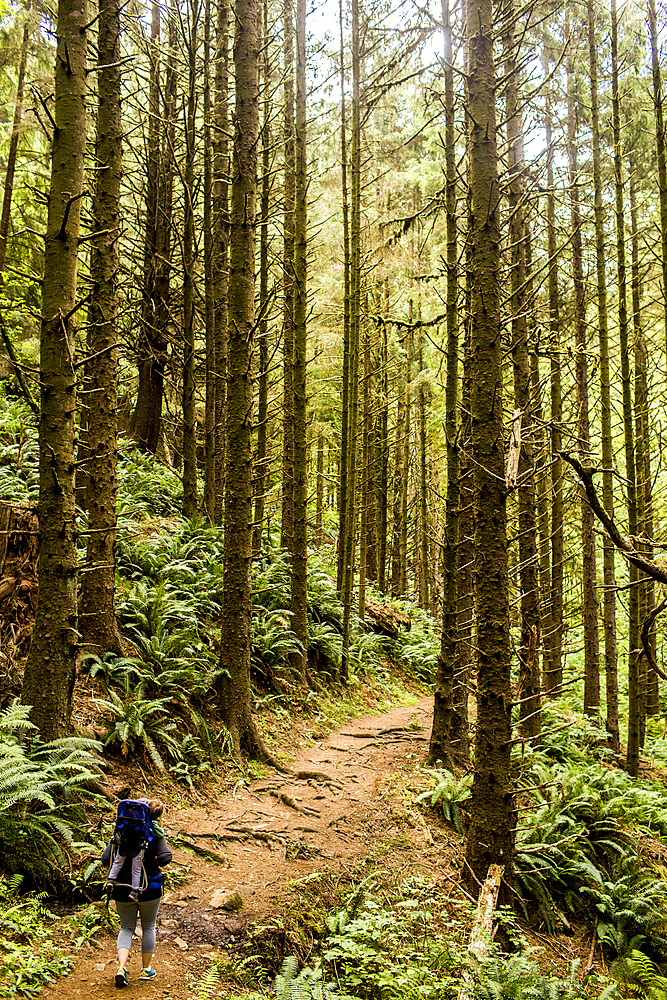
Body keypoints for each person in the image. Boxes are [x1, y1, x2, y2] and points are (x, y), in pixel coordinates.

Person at [101, 797, 172, 988]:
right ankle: (146, 969)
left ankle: (121, 967)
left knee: (126, 927)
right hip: (149, 889)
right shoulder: (154, 832)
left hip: (121, 888)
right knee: (148, 927)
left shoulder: (120, 832)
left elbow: (105, 858)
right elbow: (166, 857)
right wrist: (151, 863)